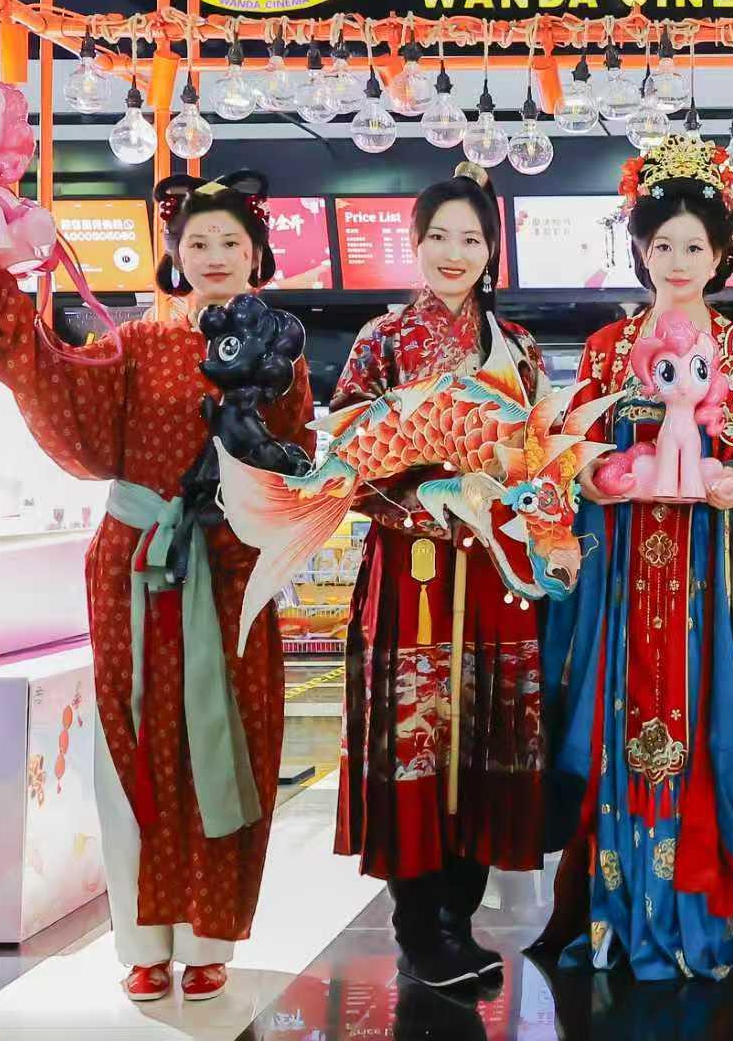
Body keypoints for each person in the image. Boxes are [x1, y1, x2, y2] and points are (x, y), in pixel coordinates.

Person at [0, 173, 311, 1004]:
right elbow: (53, 380)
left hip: (233, 566)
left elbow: (293, 459)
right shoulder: (134, 344)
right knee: (135, 744)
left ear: (256, 253)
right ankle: (144, 941)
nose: (214, 256)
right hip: (137, 564)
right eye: (198, 243)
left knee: (235, 741)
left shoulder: (280, 353)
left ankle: (210, 938)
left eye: (230, 242)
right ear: (174, 255)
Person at [535, 132, 733, 980]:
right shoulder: (608, 350)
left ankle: (703, 904)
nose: (677, 262)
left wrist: (732, 481)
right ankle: (615, 907)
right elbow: (571, 449)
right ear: (640, 252)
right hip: (619, 581)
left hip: (710, 582)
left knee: (712, 720)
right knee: (612, 721)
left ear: (721, 256)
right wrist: (596, 477)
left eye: (694, 247)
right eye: (662, 246)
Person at [331, 164, 548, 989]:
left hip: (495, 566)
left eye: (472, 239)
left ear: (492, 251)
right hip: (413, 565)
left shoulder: (517, 347)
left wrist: (521, 491)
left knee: (486, 728)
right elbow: (345, 459)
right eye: (439, 237)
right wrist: (427, 499)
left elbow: (541, 458)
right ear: (415, 245)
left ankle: (460, 914)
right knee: (416, 728)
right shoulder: (381, 341)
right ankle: (419, 923)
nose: (454, 253)